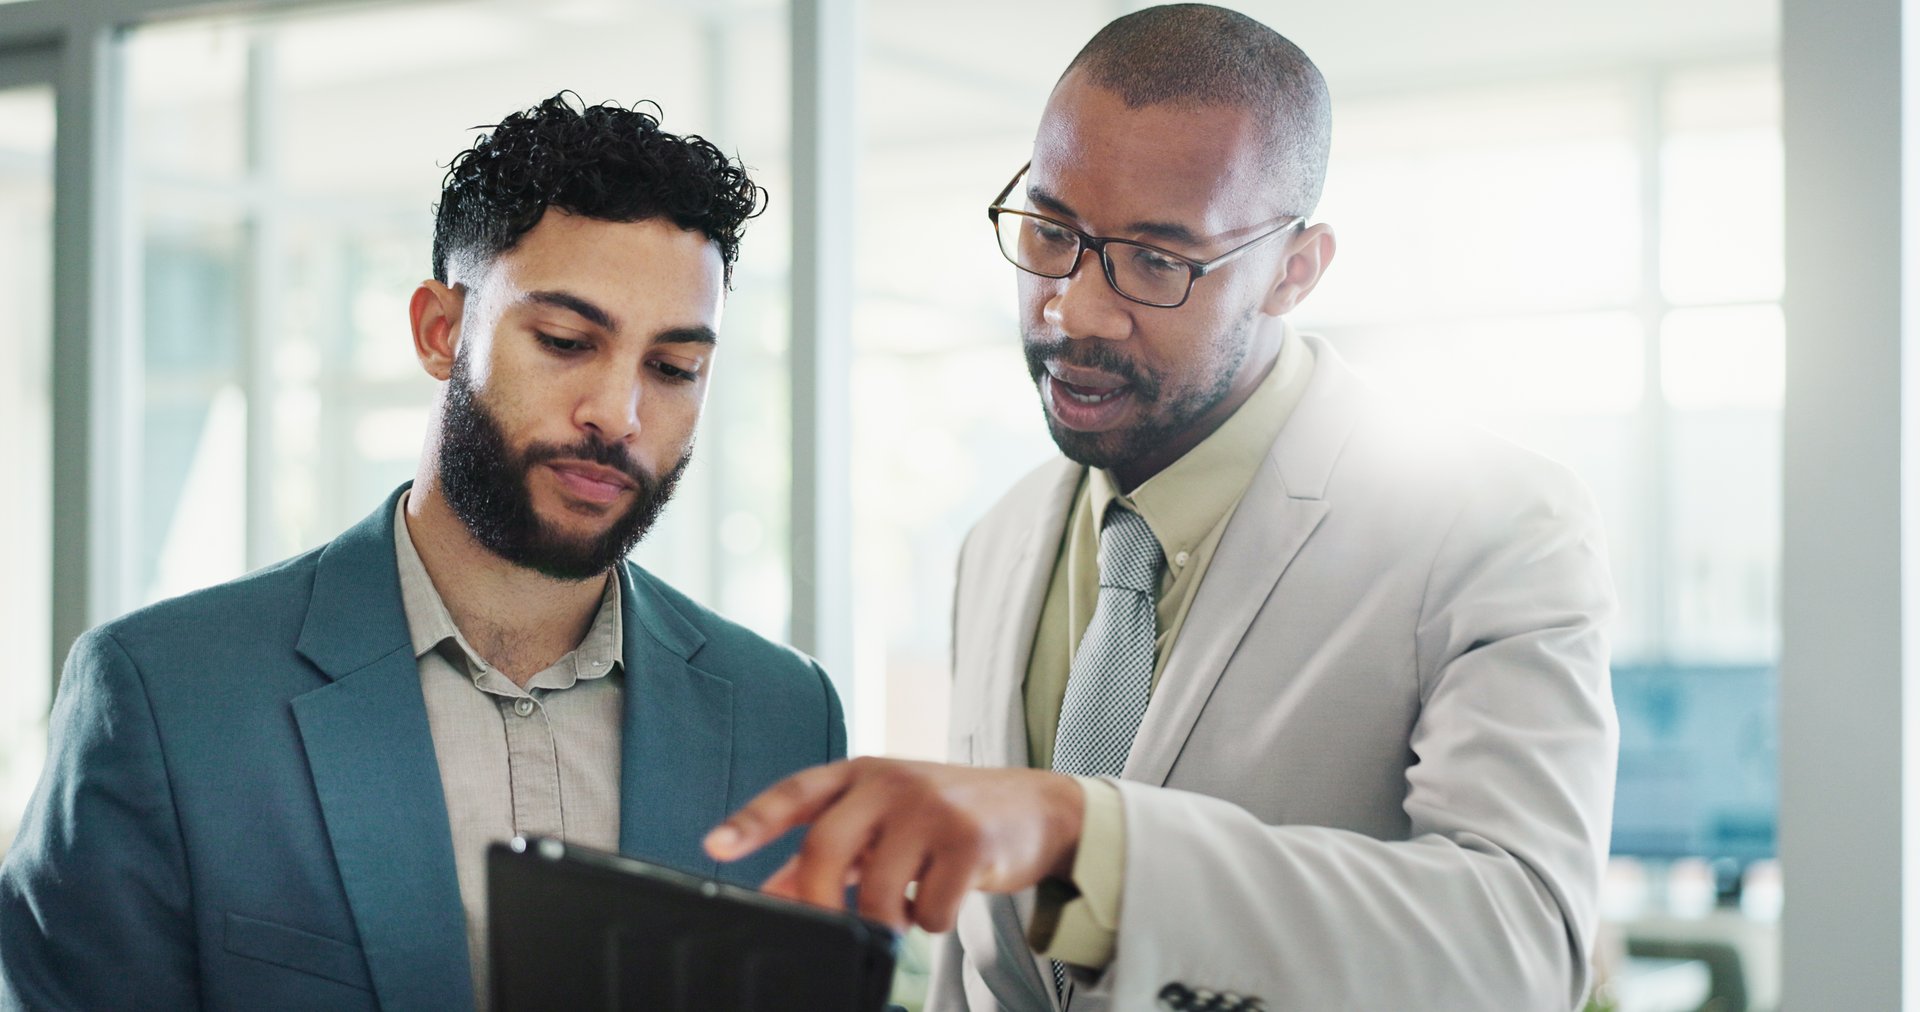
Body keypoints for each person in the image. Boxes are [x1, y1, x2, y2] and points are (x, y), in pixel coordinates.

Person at [704, 6, 1616, 1010]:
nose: (1074, 310)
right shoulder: (999, 542)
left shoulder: (1492, 526)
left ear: (1293, 272)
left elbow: (1522, 945)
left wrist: (1084, 841)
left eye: (1156, 261)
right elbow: (982, 973)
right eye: (1052, 233)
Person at [0, 94, 844, 1012]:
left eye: (673, 368)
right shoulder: (167, 698)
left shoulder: (788, 716)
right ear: (441, 332)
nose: (618, 414)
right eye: (566, 342)